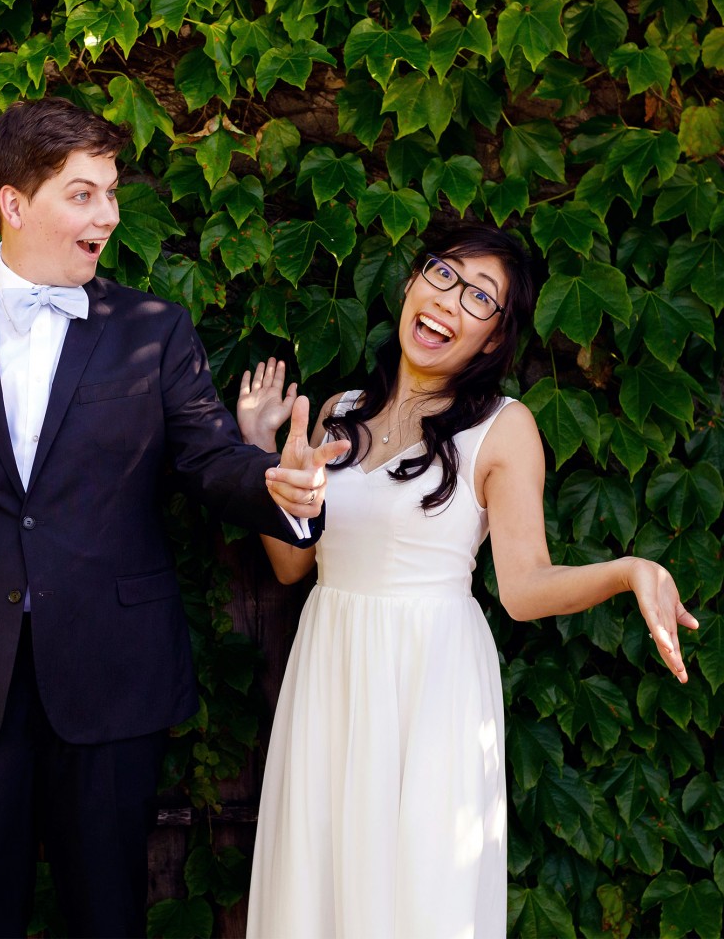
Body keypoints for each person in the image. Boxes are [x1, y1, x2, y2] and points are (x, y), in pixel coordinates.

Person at [0, 97, 347, 939]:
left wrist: (274, 484)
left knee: (109, 916)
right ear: (14, 204)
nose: (108, 216)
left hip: (114, 675)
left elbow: (208, 459)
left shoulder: (155, 330)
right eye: (84, 195)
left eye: (111, 193)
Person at [235, 222, 697, 939]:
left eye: (480, 296)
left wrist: (629, 570)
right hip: (330, 670)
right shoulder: (339, 414)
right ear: (410, 285)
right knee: (319, 882)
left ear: (493, 338)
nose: (450, 300)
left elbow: (524, 586)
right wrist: (258, 446)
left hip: (430, 684)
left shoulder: (504, 428)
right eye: (443, 275)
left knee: (418, 889)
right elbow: (293, 564)